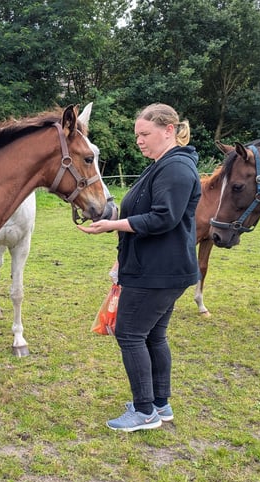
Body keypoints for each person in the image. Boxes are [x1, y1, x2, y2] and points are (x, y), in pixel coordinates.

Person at [78, 103, 201, 431]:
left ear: (169, 130)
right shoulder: (162, 165)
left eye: (145, 134)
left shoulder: (175, 169)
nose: (139, 141)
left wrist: (113, 227)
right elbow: (145, 210)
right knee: (154, 335)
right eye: (137, 135)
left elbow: (164, 217)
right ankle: (160, 403)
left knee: (130, 333)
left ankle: (144, 412)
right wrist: (113, 220)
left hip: (158, 271)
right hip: (158, 268)